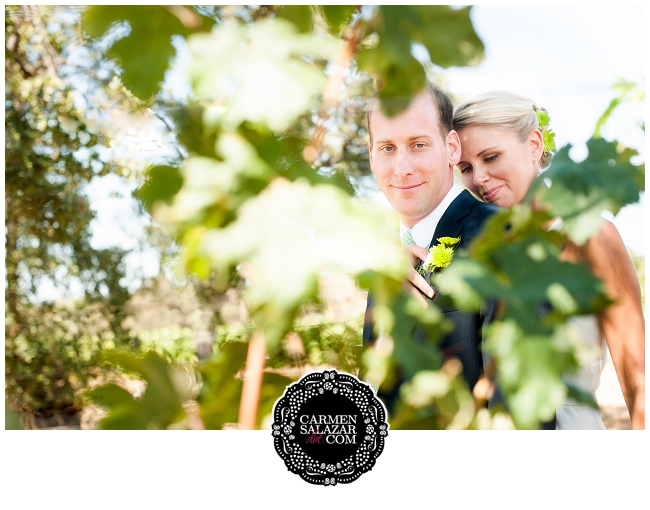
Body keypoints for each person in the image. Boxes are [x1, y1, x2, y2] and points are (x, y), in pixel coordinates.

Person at [412, 90, 645, 429]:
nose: (478, 178)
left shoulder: (590, 236)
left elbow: (637, 380)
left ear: (534, 144)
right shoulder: (471, 251)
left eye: (491, 157)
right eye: (465, 167)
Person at [362, 83, 499, 412]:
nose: (402, 168)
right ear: (371, 156)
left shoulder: (500, 237)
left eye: (418, 145)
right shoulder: (384, 261)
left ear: (452, 148)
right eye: (387, 148)